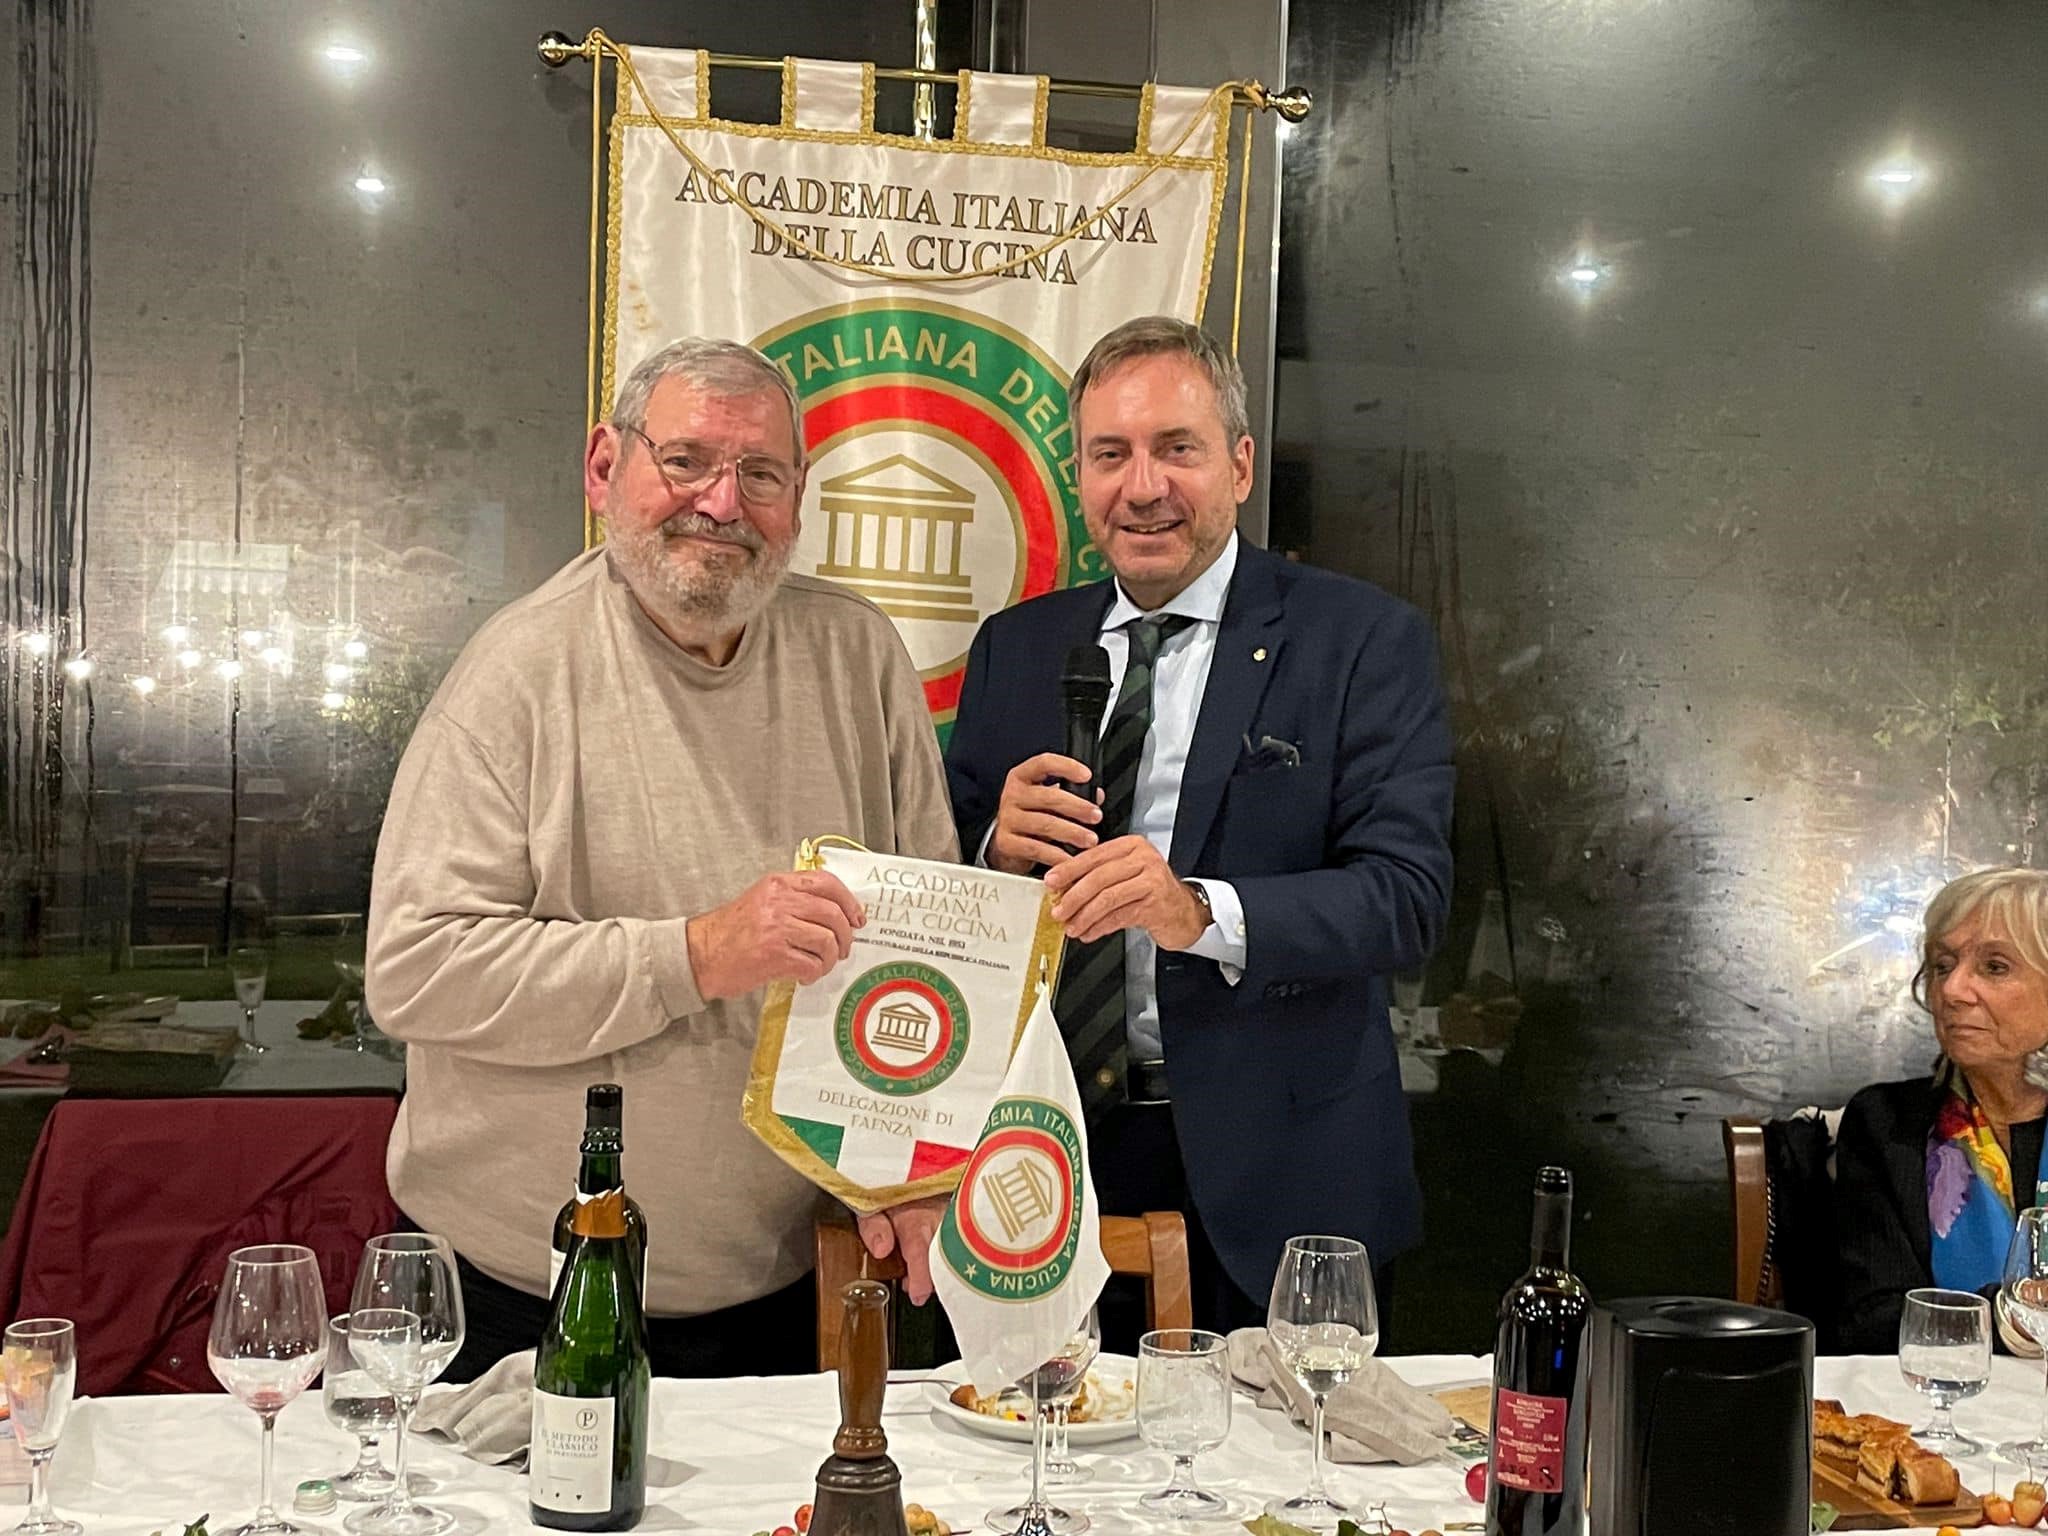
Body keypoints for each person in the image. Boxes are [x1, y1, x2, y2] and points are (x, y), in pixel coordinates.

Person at [365, 338, 957, 1381]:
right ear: (605, 467)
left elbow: (929, 946)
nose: (721, 505)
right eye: (685, 462)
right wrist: (694, 955)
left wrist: (916, 1157)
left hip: (788, 1291)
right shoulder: (516, 673)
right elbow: (417, 972)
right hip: (522, 1294)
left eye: (760, 473)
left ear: (799, 495)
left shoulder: (859, 656)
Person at [942, 315, 1455, 1345]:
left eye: (1176, 448)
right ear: (1078, 476)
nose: (1143, 488)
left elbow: (1406, 898)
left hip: (1281, 1178)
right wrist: (992, 848)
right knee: (1034, 1442)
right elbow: (939, 875)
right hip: (1041, 1164)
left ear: (1239, 465)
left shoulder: (1360, 640)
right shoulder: (1014, 647)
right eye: (1110, 455)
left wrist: (1199, 912)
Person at [1837, 867, 2048, 1354]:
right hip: (1941, 1398)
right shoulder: (1887, 1124)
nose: (1952, 990)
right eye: (1942, 965)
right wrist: (2012, 1318)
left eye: (1994, 967)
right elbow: (1870, 1322)